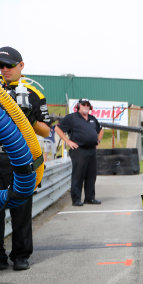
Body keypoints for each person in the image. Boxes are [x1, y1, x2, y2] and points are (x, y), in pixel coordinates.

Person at [0, 46, 51, 271]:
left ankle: (21, 255)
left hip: (23, 160)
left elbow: (47, 131)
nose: (4, 70)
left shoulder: (33, 93)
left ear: (21, 66)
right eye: (0, 66)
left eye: (9, 65)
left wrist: (29, 119)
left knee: (20, 208)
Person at [54, 99, 104, 207]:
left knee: (91, 175)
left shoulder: (92, 119)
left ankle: (90, 198)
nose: (86, 106)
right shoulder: (72, 118)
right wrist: (67, 141)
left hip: (91, 150)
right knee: (78, 174)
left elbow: (101, 130)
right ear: (78, 106)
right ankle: (76, 199)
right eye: (83, 105)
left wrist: (98, 141)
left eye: (87, 105)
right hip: (79, 150)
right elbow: (57, 128)